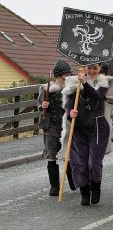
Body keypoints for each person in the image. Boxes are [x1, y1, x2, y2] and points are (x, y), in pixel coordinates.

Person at [64, 63, 112, 206]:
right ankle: (84, 192)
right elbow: (69, 106)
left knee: (93, 163)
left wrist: (85, 83)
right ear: (84, 69)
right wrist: (70, 114)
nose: (91, 71)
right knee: (79, 163)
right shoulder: (73, 83)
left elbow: (97, 97)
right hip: (79, 128)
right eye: (89, 68)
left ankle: (95, 186)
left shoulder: (104, 82)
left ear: (99, 68)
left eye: (94, 68)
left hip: (97, 126)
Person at [38, 59, 75, 196]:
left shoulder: (71, 89)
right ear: (58, 75)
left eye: (68, 74)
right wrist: (43, 106)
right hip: (52, 125)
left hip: (66, 124)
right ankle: (54, 186)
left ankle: (73, 181)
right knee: (51, 154)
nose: (67, 76)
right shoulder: (47, 89)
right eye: (64, 74)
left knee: (67, 154)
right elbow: (40, 104)